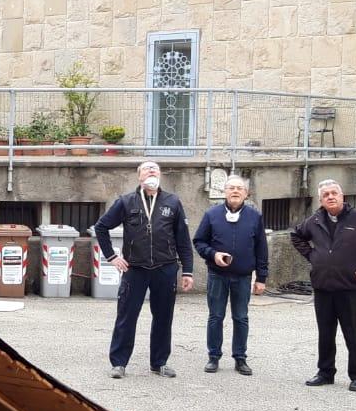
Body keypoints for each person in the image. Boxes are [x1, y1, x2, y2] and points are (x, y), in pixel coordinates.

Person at [93, 161, 195, 379]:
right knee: (127, 317)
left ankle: (159, 363)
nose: (152, 171)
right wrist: (111, 256)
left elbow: (183, 240)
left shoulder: (173, 202)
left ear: (160, 176)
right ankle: (119, 363)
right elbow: (101, 227)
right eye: (147, 169)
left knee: (163, 317)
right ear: (139, 176)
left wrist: (188, 271)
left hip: (165, 268)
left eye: (155, 169)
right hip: (135, 269)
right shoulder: (126, 201)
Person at [290, 179, 356, 392]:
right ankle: (325, 373)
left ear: (342, 196)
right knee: (325, 333)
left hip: (350, 288)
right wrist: (312, 255)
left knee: (353, 333)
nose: (330, 197)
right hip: (323, 287)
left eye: (334, 193)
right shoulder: (314, 220)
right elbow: (296, 236)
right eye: (326, 195)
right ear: (321, 200)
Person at [192, 175, 268, 376]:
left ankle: (240, 358)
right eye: (231, 188)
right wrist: (213, 254)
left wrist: (261, 278)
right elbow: (199, 241)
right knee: (216, 316)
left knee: (241, 317)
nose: (235, 191)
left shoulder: (254, 217)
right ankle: (213, 357)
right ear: (224, 191)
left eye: (239, 188)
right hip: (217, 275)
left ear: (246, 193)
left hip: (243, 277)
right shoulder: (212, 214)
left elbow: (262, 249)